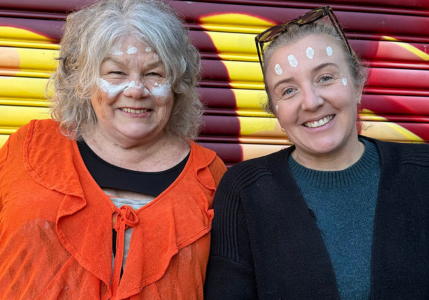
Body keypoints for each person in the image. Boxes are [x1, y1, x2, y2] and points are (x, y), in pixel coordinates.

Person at [0, 0, 226, 298]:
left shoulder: (209, 175)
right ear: (83, 80)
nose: (135, 90)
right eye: (116, 73)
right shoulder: (29, 149)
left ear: (177, 84)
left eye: (154, 74)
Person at [204, 6, 429, 299]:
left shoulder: (422, 174)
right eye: (288, 91)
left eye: (325, 78)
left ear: (358, 84)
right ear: (276, 112)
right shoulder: (244, 191)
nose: (310, 102)